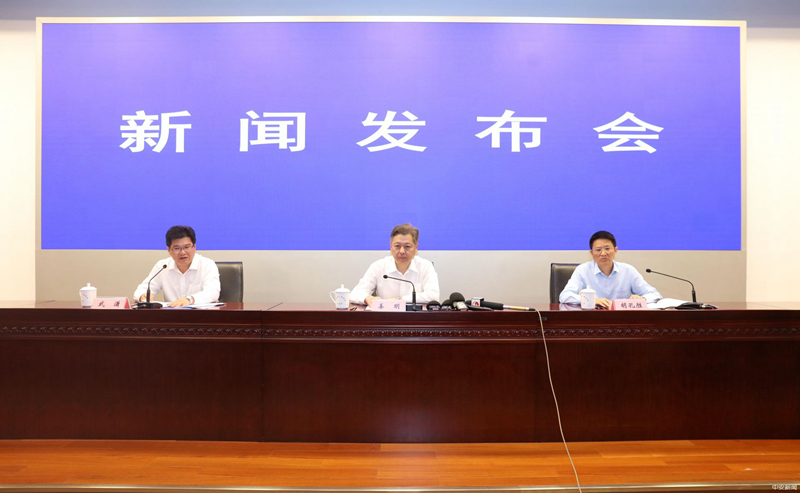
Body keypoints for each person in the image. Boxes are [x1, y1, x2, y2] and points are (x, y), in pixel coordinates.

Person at [559, 230, 661, 309]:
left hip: (621, 320)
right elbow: (564, 296)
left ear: (615, 250)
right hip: (591, 319)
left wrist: (642, 298)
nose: (603, 253)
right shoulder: (582, 270)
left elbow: (655, 295)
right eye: (598, 250)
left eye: (607, 248)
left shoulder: (628, 270)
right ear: (591, 253)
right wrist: (590, 300)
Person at [350, 223, 440, 307]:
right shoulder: (378, 266)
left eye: (407, 246)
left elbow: (434, 296)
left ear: (416, 247)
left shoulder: (425, 266)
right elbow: (356, 293)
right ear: (390, 246)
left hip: (415, 317)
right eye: (397, 246)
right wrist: (367, 298)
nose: (402, 251)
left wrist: (400, 300)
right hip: (385, 317)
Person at [134, 225, 220, 307]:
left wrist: (189, 299)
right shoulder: (163, 266)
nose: (182, 252)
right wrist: (142, 296)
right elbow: (142, 290)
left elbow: (212, 292)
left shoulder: (207, 265)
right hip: (171, 315)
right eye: (177, 248)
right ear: (169, 250)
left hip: (201, 315)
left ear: (194, 246)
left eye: (186, 247)